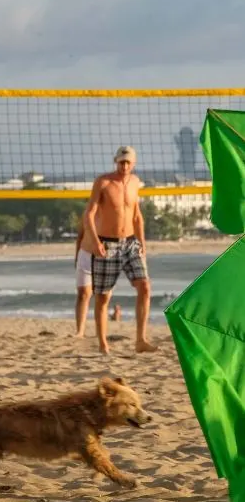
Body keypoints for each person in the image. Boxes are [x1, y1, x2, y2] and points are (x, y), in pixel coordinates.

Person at [84, 146, 157, 355]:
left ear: (133, 163)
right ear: (115, 162)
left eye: (128, 162)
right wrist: (95, 241)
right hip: (108, 243)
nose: (124, 166)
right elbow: (89, 214)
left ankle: (141, 340)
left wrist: (142, 242)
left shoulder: (135, 182)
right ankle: (103, 344)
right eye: (121, 162)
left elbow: (137, 215)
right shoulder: (103, 182)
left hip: (131, 242)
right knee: (103, 296)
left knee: (144, 286)